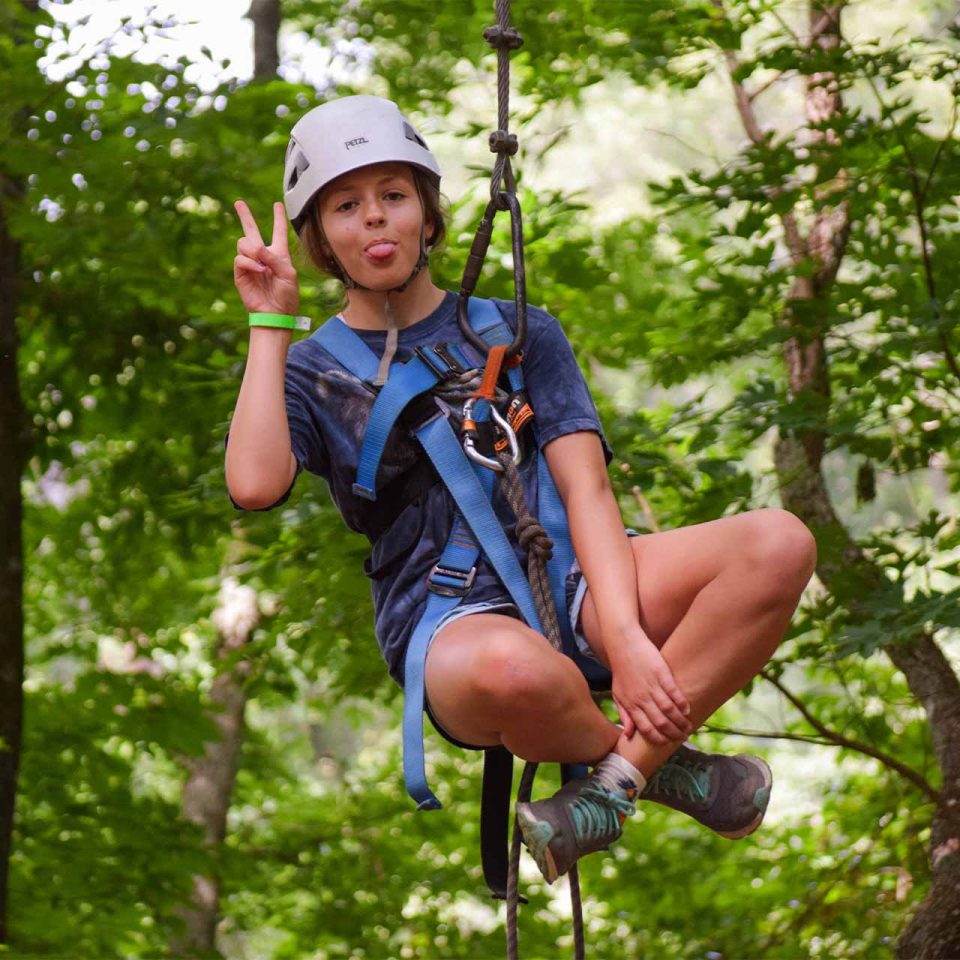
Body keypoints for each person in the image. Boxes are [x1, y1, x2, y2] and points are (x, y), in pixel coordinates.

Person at [225, 95, 817, 885]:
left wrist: (630, 640)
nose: (375, 220)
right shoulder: (311, 369)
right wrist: (271, 325)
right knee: (519, 672)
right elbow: (255, 484)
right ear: (321, 237)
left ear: (428, 215)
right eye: (346, 206)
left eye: (394, 196)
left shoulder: (518, 330)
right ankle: (656, 767)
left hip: (574, 576)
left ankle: (611, 787)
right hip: (449, 620)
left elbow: (588, 491)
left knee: (779, 542)